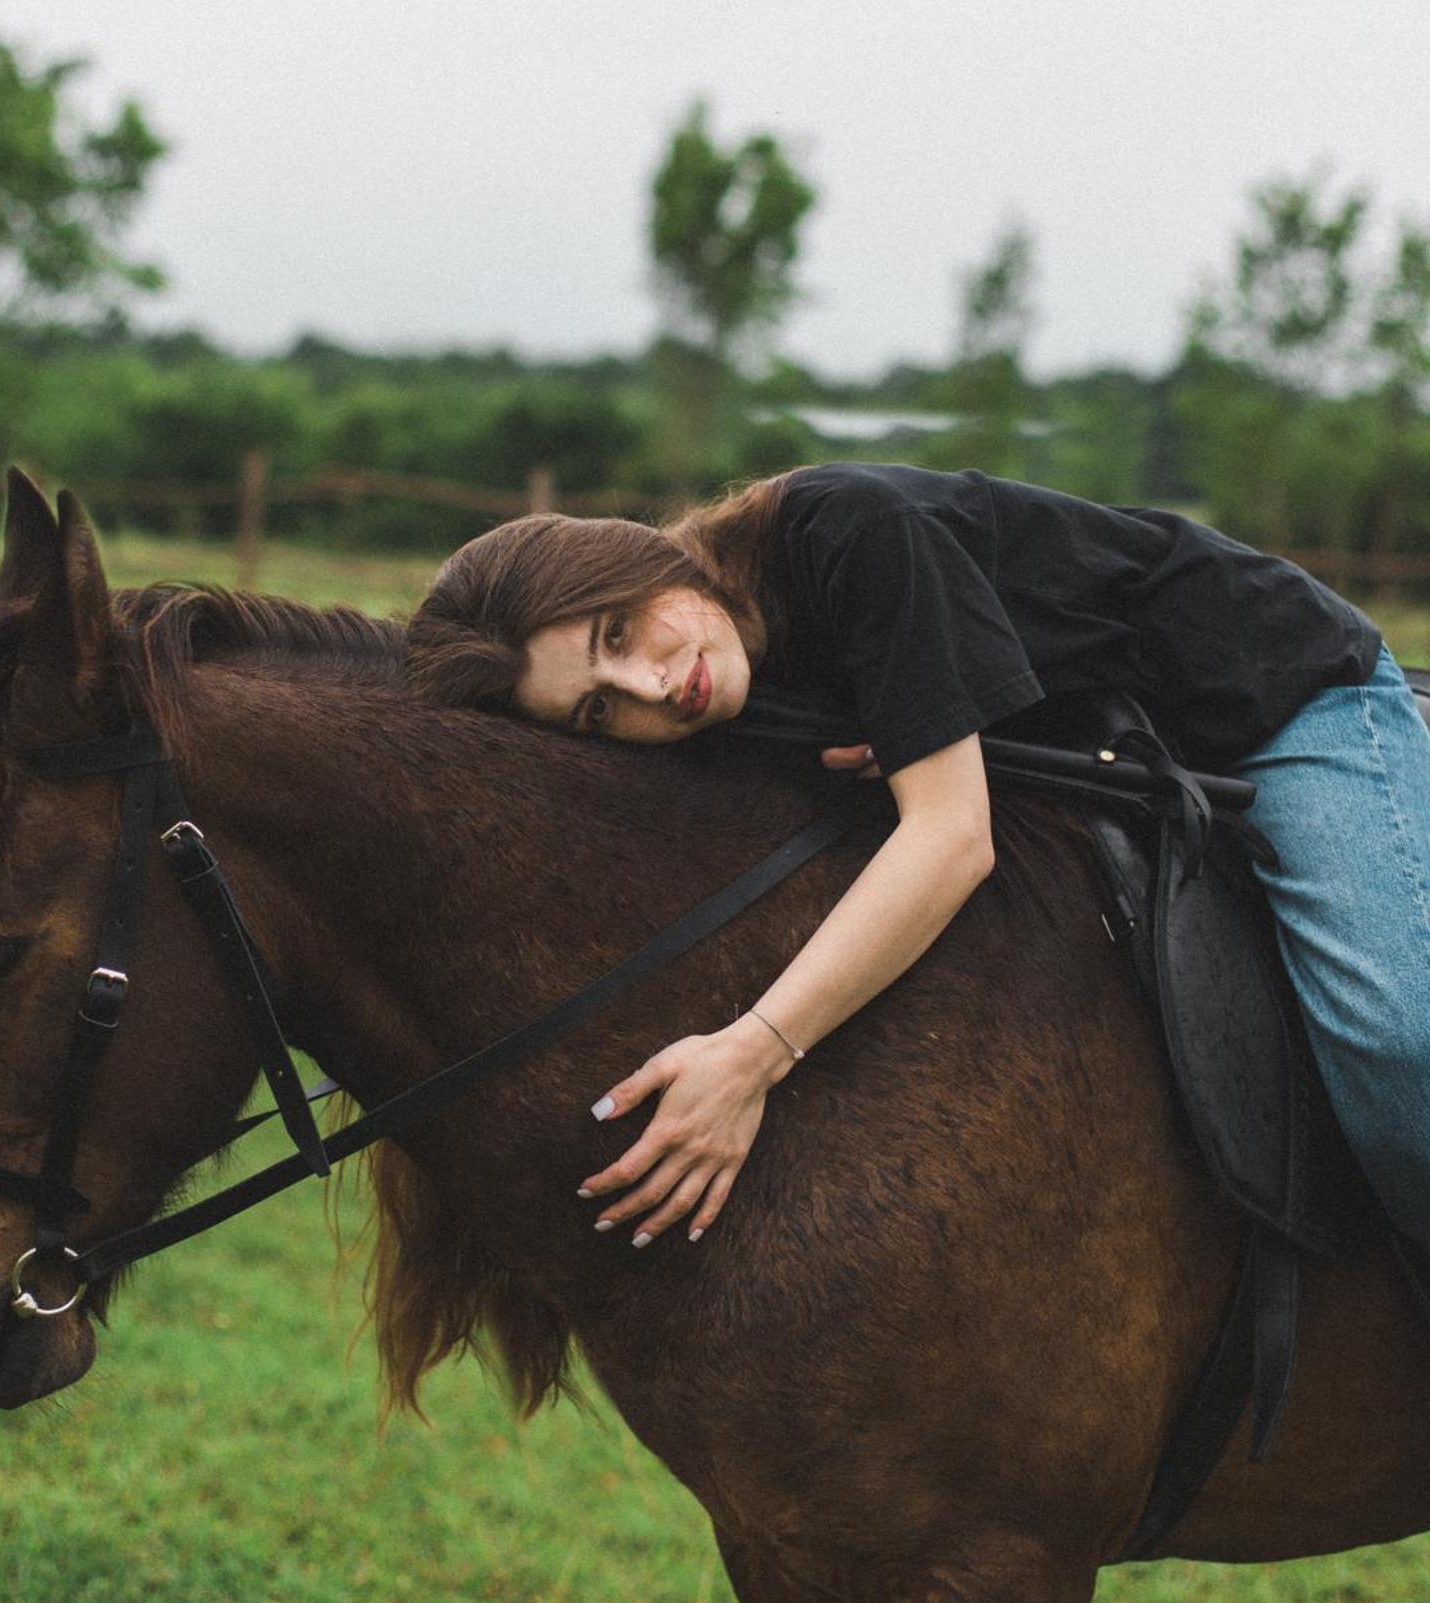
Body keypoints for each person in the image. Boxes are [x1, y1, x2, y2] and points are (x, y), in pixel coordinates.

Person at [405, 460, 1429, 1257]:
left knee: (1397, 1038)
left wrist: (748, 1055)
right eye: (597, 709)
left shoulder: (853, 535)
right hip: (1118, 742)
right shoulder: (738, 675)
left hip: (1273, 695)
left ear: (639, 559)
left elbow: (949, 839)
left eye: (620, 630)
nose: (648, 685)